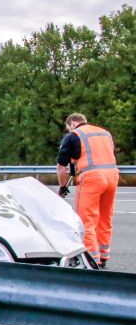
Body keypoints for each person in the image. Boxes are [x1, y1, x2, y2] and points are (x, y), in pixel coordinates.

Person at [56, 113, 118, 268]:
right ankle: (103, 256)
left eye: (68, 127)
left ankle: (92, 259)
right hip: (112, 176)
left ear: (72, 123)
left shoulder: (73, 136)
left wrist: (62, 186)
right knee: (105, 219)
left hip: (92, 178)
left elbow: (61, 165)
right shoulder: (105, 133)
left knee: (86, 220)